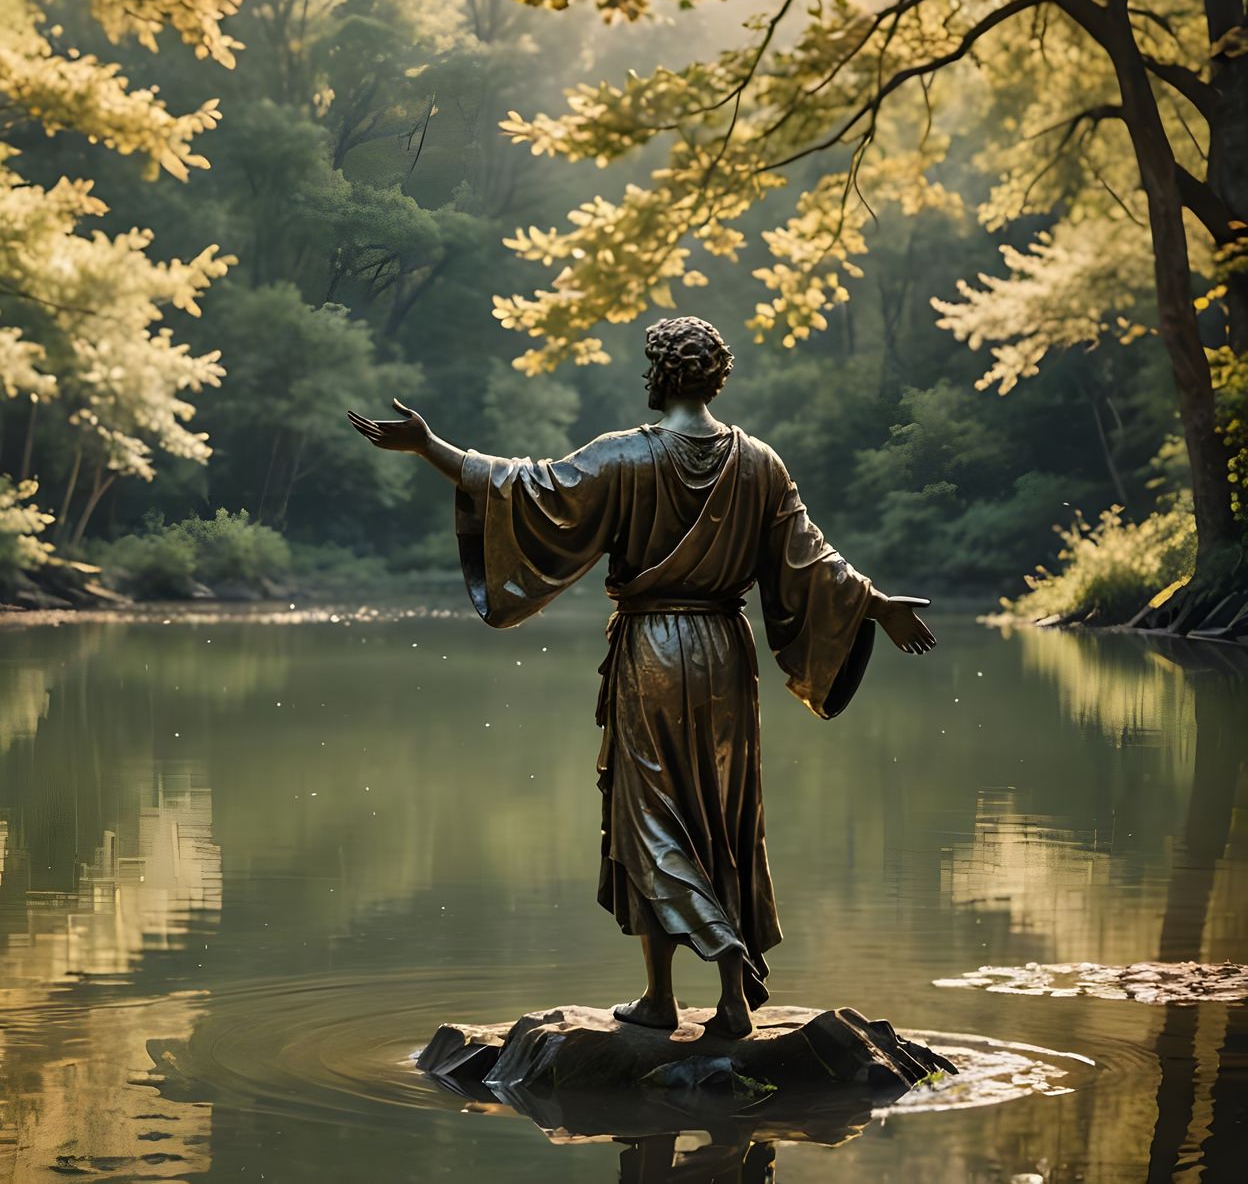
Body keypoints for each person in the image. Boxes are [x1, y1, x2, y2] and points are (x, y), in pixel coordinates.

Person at [348, 316, 935, 1037]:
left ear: (659, 376)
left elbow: (525, 489)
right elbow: (813, 563)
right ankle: (726, 998)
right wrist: (874, 602)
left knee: (647, 813)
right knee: (719, 816)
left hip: (652, 649)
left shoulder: (623, 456)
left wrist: (428, 447)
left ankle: (669, 987)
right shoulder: (760, 463)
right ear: (716, 379)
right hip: (724, 651)